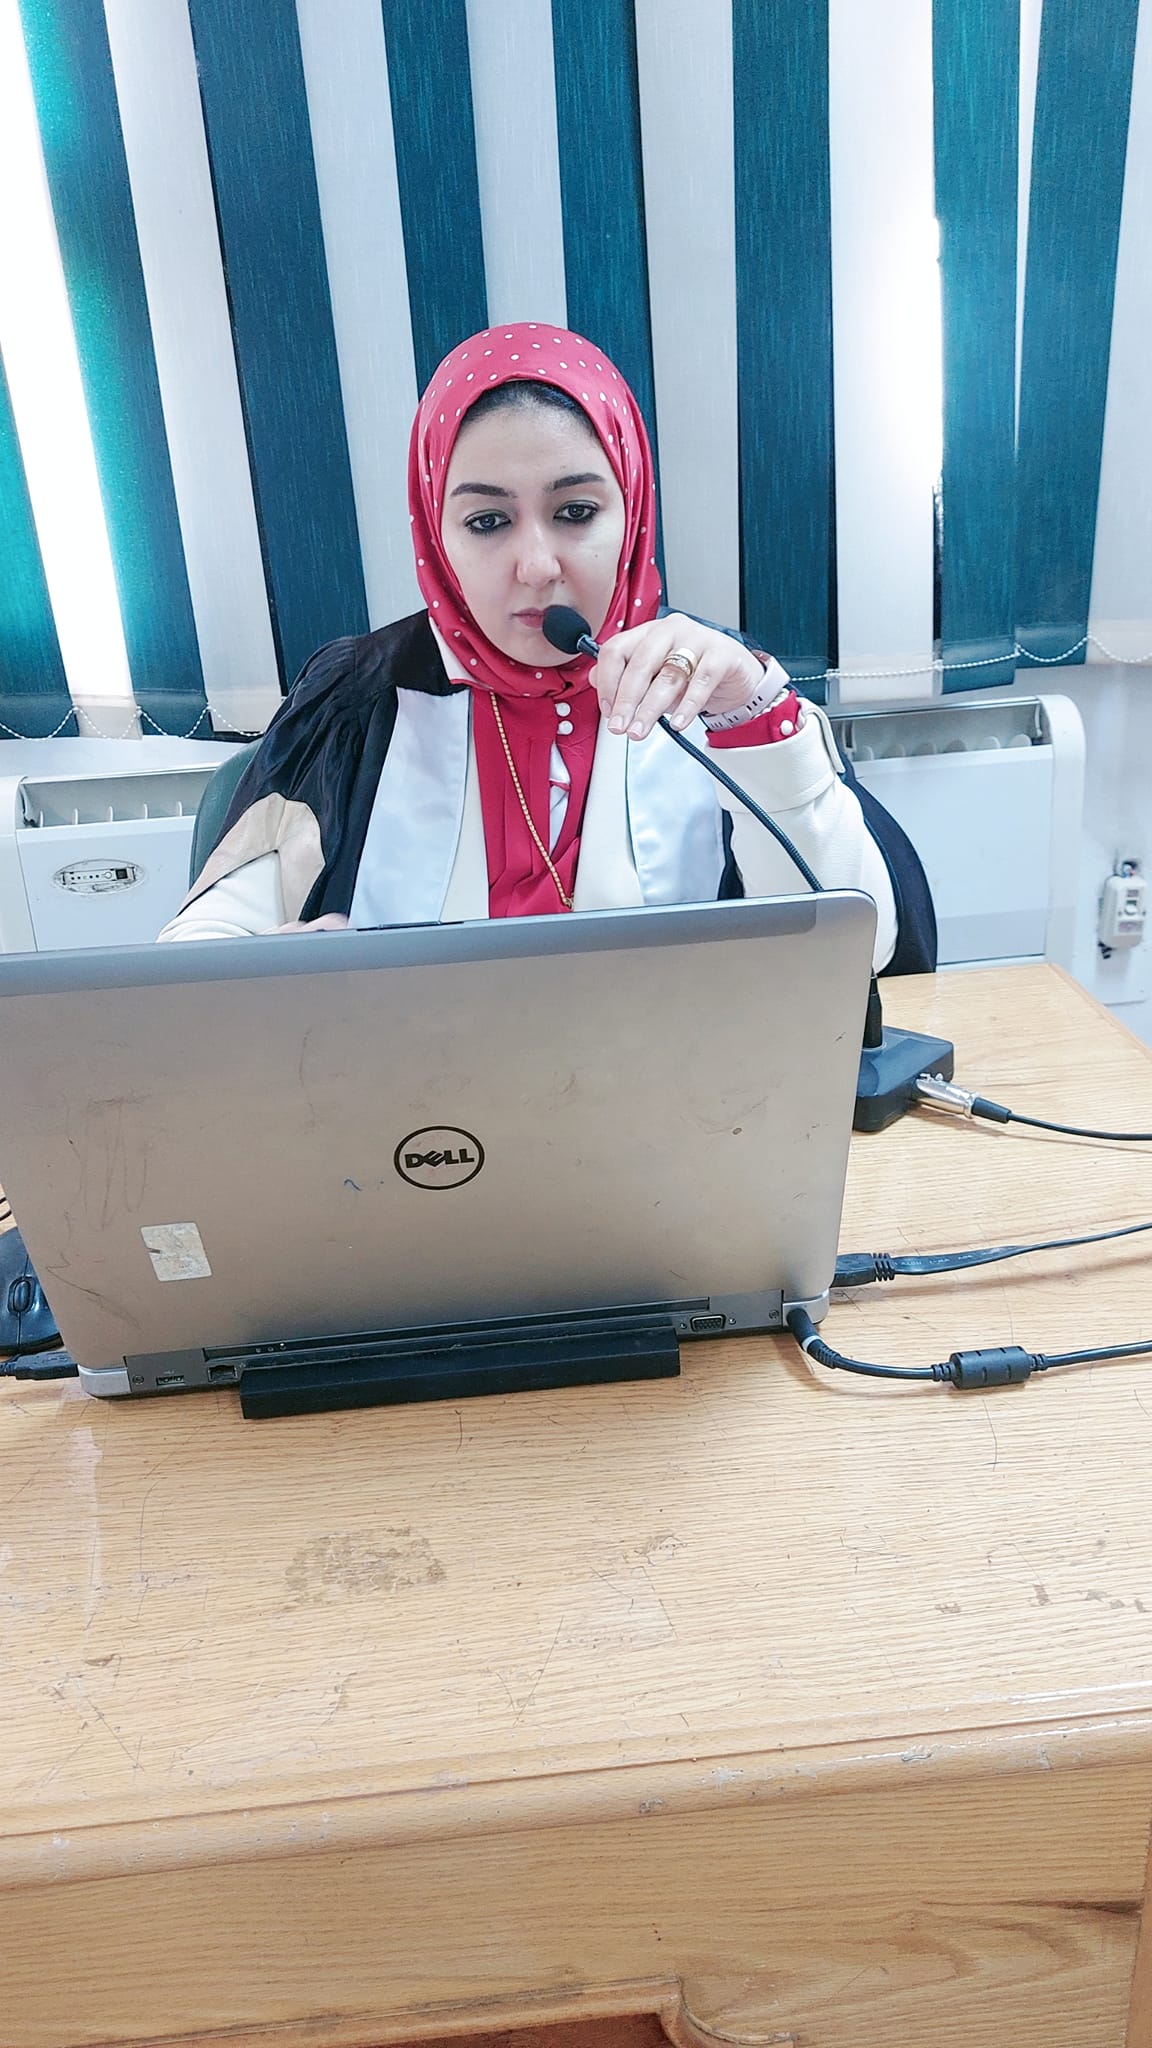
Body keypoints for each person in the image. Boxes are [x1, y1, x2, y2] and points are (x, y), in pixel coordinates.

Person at [158, 324, 934, 969]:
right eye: (487, 522)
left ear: (632, 510)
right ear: (435, 533)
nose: (537, 566)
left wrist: (754, 721)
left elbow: (859, 955)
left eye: (576, 511)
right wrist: (258, 972)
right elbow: (197, 954)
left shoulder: (710, 686)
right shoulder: (356, 698)